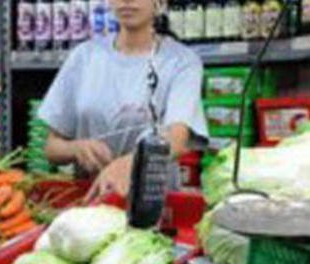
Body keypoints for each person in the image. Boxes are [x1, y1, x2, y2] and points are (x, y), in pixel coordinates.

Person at [39, 0, 208, 200]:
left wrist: (132, 162)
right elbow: (51, 147)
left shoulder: (182, 62)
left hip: (154, 205)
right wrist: (76, 148)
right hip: (91, 203)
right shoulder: (84, 57)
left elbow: (177, 138)